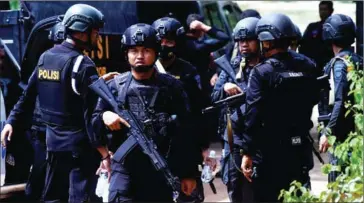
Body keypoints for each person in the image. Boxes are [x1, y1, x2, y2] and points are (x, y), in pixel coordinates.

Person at [0, 4, 115, 202]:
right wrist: (104, 153)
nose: (98, 36)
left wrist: (11, 121)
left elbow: (28, 96)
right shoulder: (83, 64)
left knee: (53, 197)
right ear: (82, 31)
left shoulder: (46, 57)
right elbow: (90, 117)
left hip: (53, 146)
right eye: (95, 31)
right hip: (79, 151)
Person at [91, 23, 198, 202]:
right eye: (134, 51)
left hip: (161, 167)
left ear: (156, 52)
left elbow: (187, 132)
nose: (140, 56)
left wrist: (189, 173)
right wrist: (104, 117)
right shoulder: (115, 87)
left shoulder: (172, 87)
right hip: (125, 169)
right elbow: (92, 125)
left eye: (146, 50)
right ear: (126, 54)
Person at [240, 13, 320, 202]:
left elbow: (252, 114)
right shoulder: (307, 64)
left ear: (266, 42)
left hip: (270, 152)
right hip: (300, 146)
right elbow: (316, 97)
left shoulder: (261, 72)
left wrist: (247, 152)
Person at [152, 17, 206, 202]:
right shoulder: (143, 70)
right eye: (160, 41)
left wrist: (205, 150)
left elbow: (200, 112)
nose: (164, 45)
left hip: (182, 144)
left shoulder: (188, 71)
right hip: (153, 146)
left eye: (169, 41)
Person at [212, 17, 261, 203]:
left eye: (248, 40)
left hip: (258, 135)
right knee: (234, 185)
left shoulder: (267, 67)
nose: (244, 45)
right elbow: (214, 98)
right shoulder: (232, 65)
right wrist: (224, 88)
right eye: (240, 41)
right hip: (234, 137)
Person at [318, 14, 362, 182]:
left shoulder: (339, 64)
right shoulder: (357, 60)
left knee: (339, 185)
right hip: (355, 135)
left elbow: (339, 101)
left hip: (343, 138)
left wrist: (328, 132)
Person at [25, 21, 65, 201]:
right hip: (43, 129)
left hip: (62, 131)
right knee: (40, 174)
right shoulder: (44, 62)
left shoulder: (78, 63)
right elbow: (27, 96)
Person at [299, 1, 334, 74]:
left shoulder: (335, 28)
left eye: (325, 9)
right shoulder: (312, 27)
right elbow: (303, 45)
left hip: (329, 65)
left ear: (331, 11)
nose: (323, 12)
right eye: (321, 9)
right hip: (312, 66)